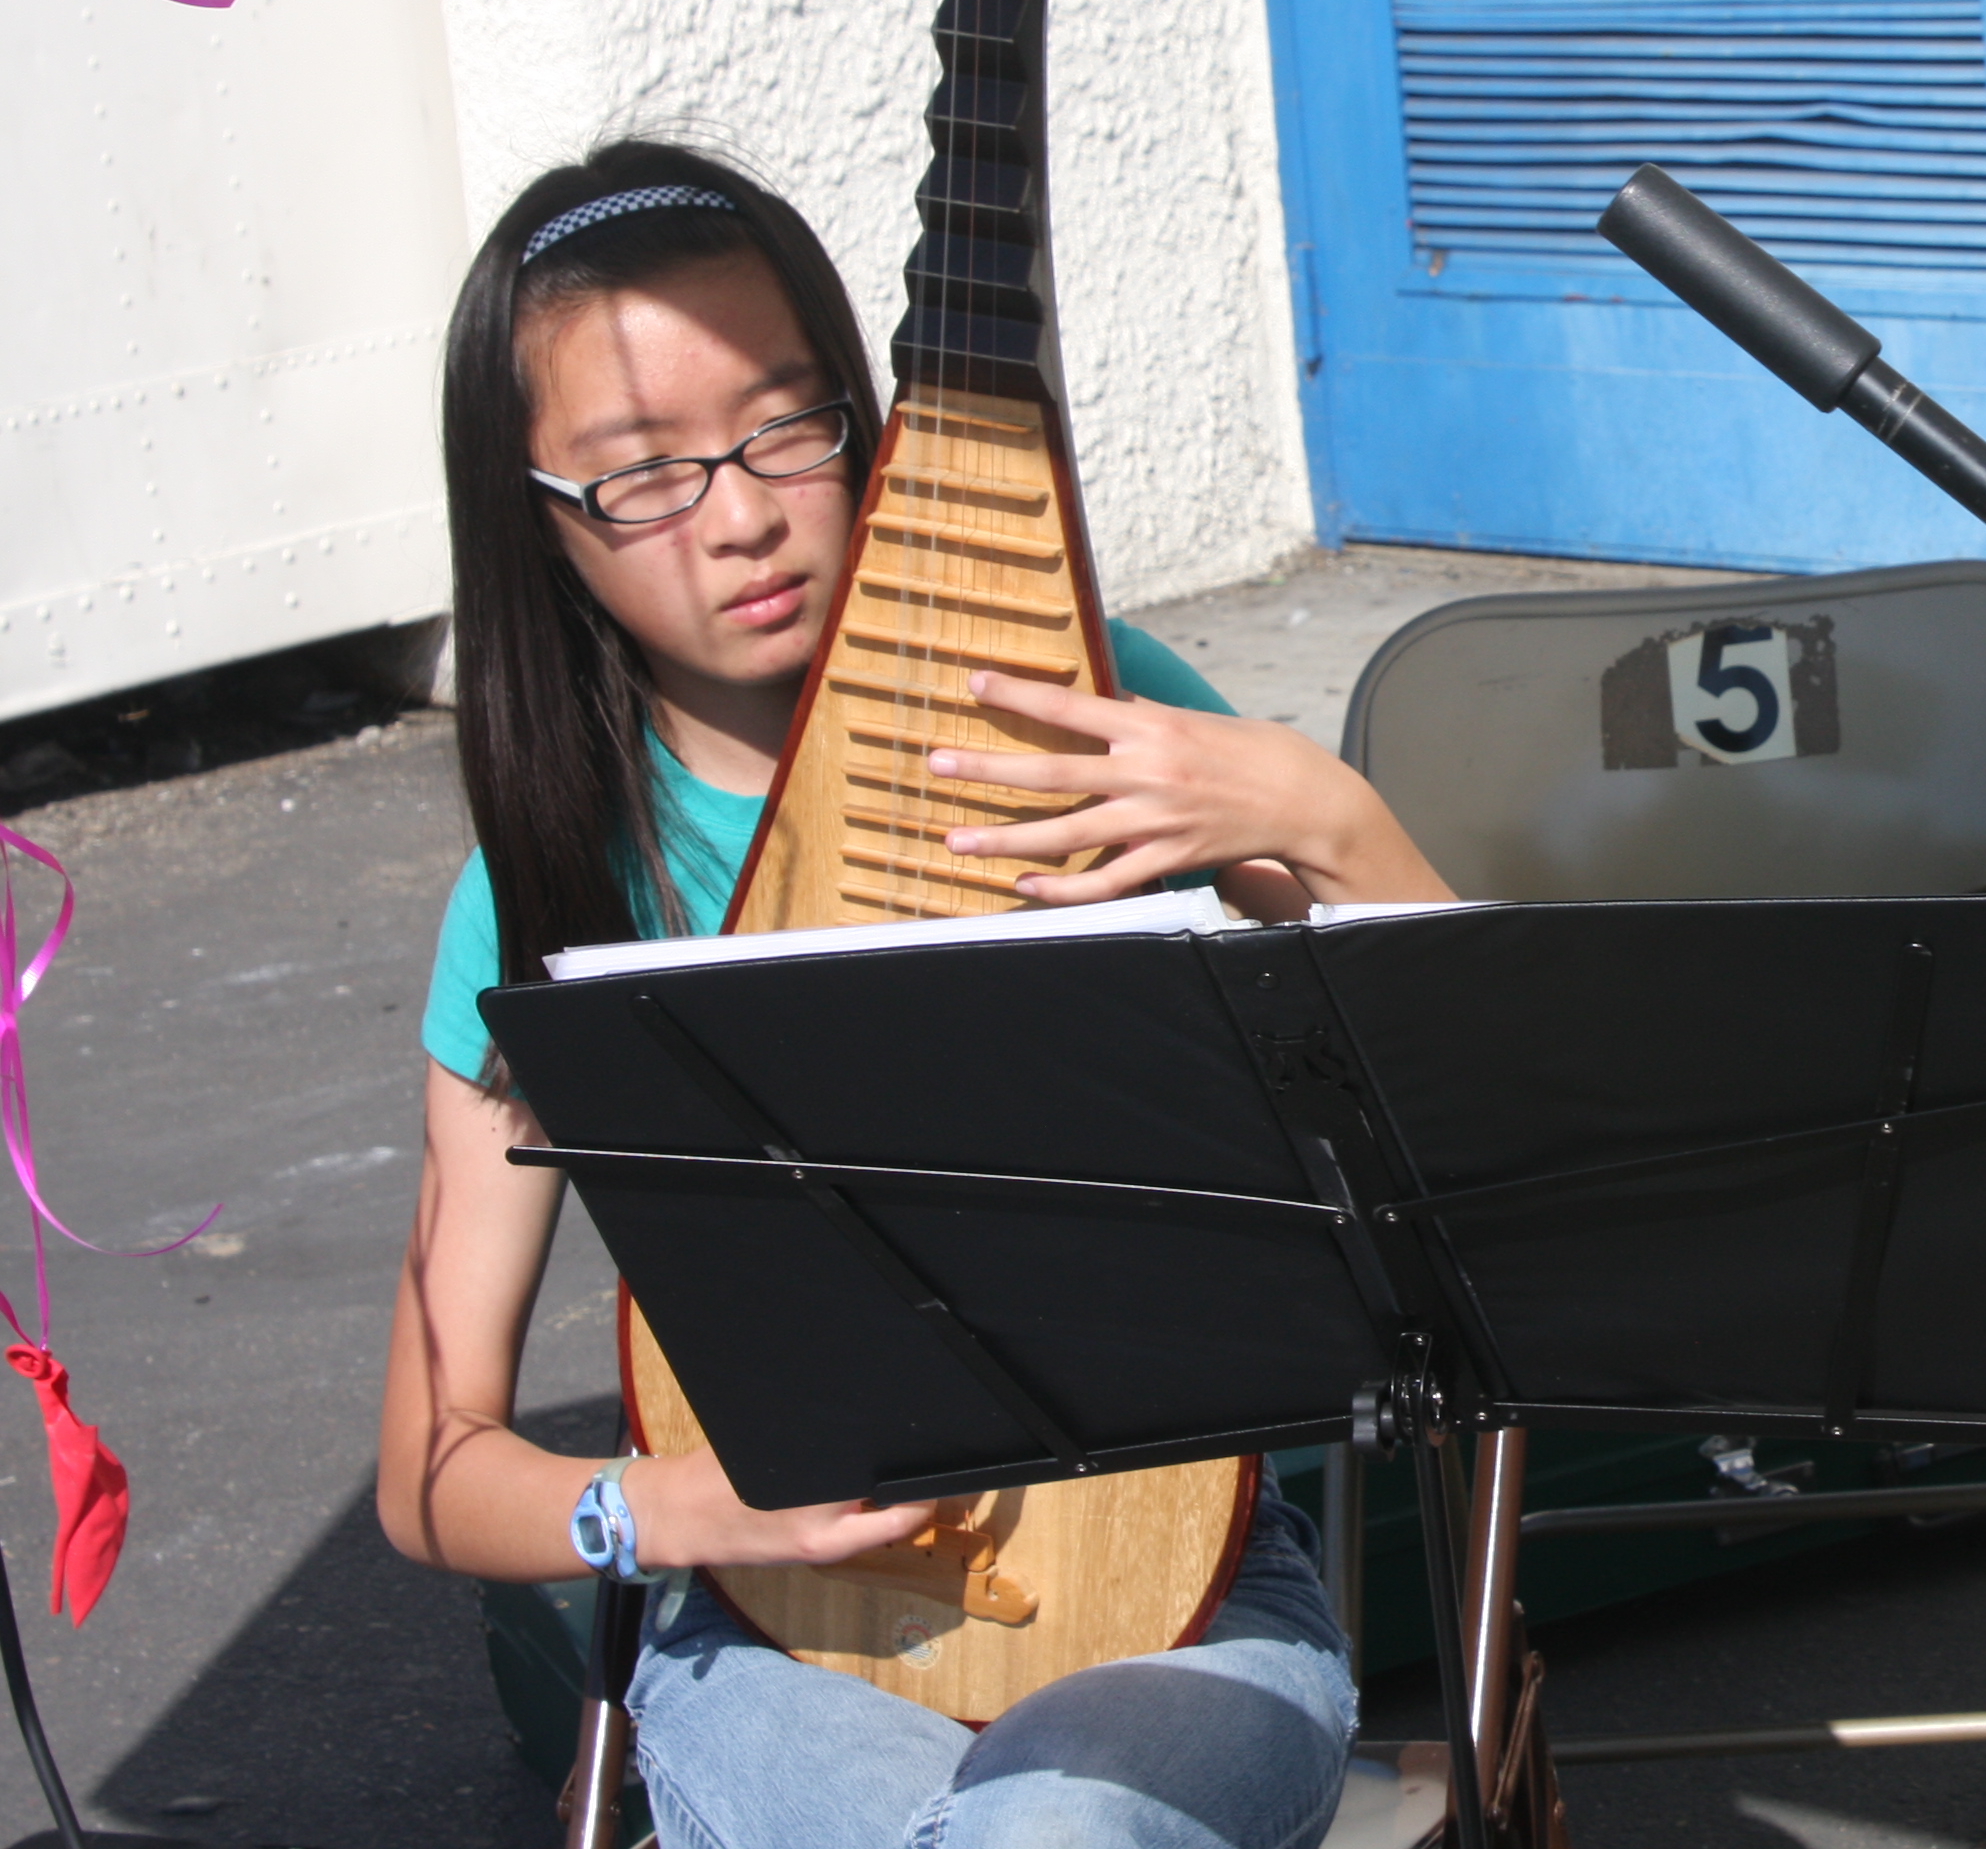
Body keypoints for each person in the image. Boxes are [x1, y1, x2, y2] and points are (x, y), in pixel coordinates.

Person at [375, 142, 1449, 1849]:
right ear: (540, 527)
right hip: (770, 1637)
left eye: (786, 427)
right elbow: (432, 1468)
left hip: (1186, 1600)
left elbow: (1459, 1104)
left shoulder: (1086, 714)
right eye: (642, 476)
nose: (741, 515)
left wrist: (1319, 814)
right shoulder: (548, 885)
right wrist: (675, 1509)